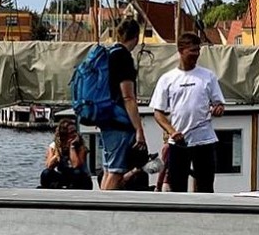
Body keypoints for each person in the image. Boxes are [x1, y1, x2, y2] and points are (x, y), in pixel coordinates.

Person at [150, 32, 227, 193]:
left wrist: (219, 109)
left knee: (206, 186)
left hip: (204, 141)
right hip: (179, 144)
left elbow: (218, 104)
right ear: (181, 51)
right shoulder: (167, 79)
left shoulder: (208, 76)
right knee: (177, 187)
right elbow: (158, 112)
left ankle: (205, 215)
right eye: (192, 51)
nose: (196, 54)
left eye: (198, 51)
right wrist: (171, 132)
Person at [97, 18, 146, 191]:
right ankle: (102, 212)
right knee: (116, 172)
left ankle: (101, 206)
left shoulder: (109, 53)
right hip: (119, 121)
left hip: (105, 119)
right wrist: (139, 129)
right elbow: (128, 98)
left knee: (108, 169)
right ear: (136, 37)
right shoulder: (123, 57)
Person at [38, 112, 94, 190]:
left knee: (76, 173)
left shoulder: (81, 147)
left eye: (75, 131)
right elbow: (49, 166)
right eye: (71, 133)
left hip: (81, 178)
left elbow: (76, 165)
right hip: (63, 176)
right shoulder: (54, 146)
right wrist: (58, 152)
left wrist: (72, 147)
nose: (75, 134)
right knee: (46, 173)